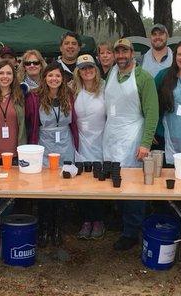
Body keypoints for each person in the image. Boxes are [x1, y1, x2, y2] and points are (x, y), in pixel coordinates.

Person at [102, 38, 158, 251]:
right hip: (112, 135)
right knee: (114, 181)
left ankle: (131, 231)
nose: (121, 56)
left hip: (133, 136)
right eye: (118, 52)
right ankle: (120, 221)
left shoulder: (144, 77)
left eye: (125, 52)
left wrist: (145, 143)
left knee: (133, 186)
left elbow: (152, 113)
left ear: (132, 53)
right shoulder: (111, 74)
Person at [25, 62, 79, 246]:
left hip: (65, 143)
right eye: (50, 76)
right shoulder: (35, 97)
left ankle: (57, 228)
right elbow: (30, 121)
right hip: (45, 144)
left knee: (62, 188)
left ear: (62, 78)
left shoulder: (69, 96)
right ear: (44, 78)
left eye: (57, 76)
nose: (54, 79)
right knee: (44, 188)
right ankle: (43, 228)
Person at [73, 54, 106, 240]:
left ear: (96, 69)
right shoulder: (73, 90)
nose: (87, 71)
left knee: (99, 182)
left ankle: (99, 220)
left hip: (101, 141)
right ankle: (86, 220)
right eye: (83, 68)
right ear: (79, 71)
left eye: (90, 67)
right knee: (83, 183)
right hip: (81, 143)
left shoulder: (105, 88)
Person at [0, 60, 26, 164]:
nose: (5, 76)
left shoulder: (20, 97)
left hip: (16, 155)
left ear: (13, 76)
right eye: (1, 73)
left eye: (9, 73)